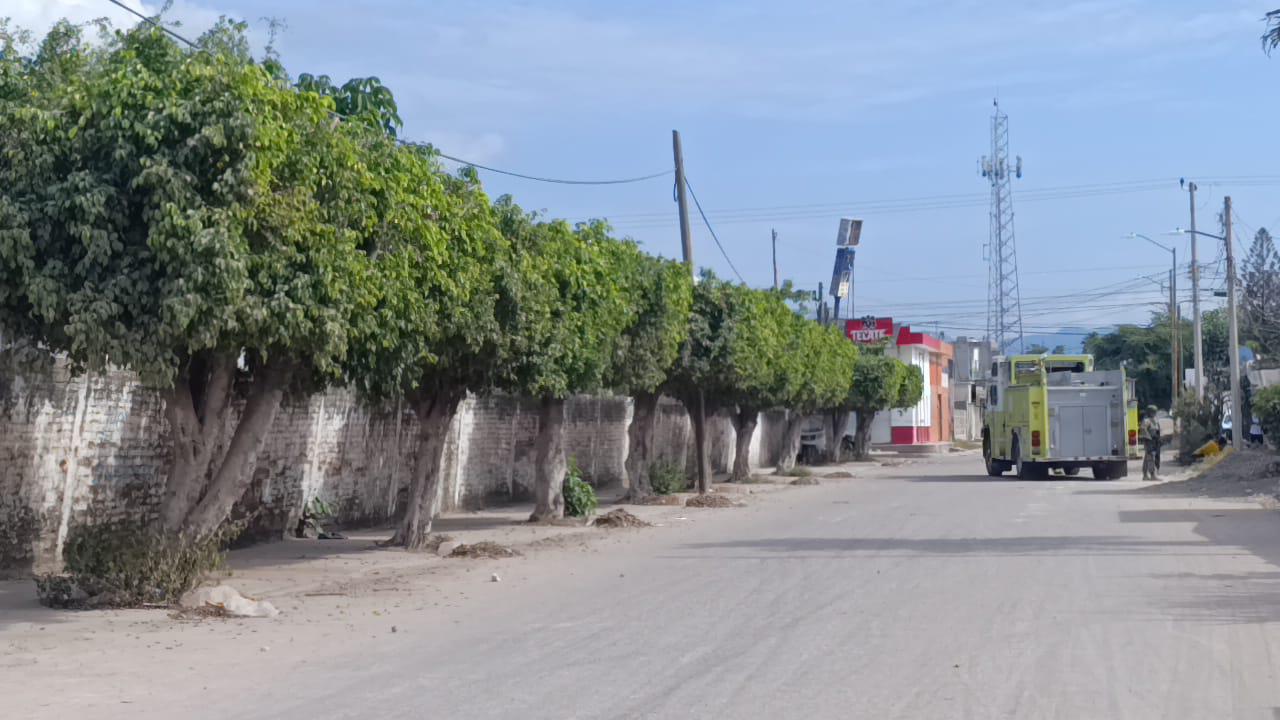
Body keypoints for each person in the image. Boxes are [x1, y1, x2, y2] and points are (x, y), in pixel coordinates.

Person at [1141, 405, 1161, 481]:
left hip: (1154, 441)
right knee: (1150, 458)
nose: (1155, 413)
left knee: (1147, 458)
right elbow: (1143, 429)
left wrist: (1158, 439)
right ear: (1150, 412)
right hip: (1149, 441)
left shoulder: (1154, 420)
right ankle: (1152, 475)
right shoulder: (1146, 420)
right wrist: (1149, 438)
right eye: (1153, 412)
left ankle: (1145, 475)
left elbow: (1157, 431)